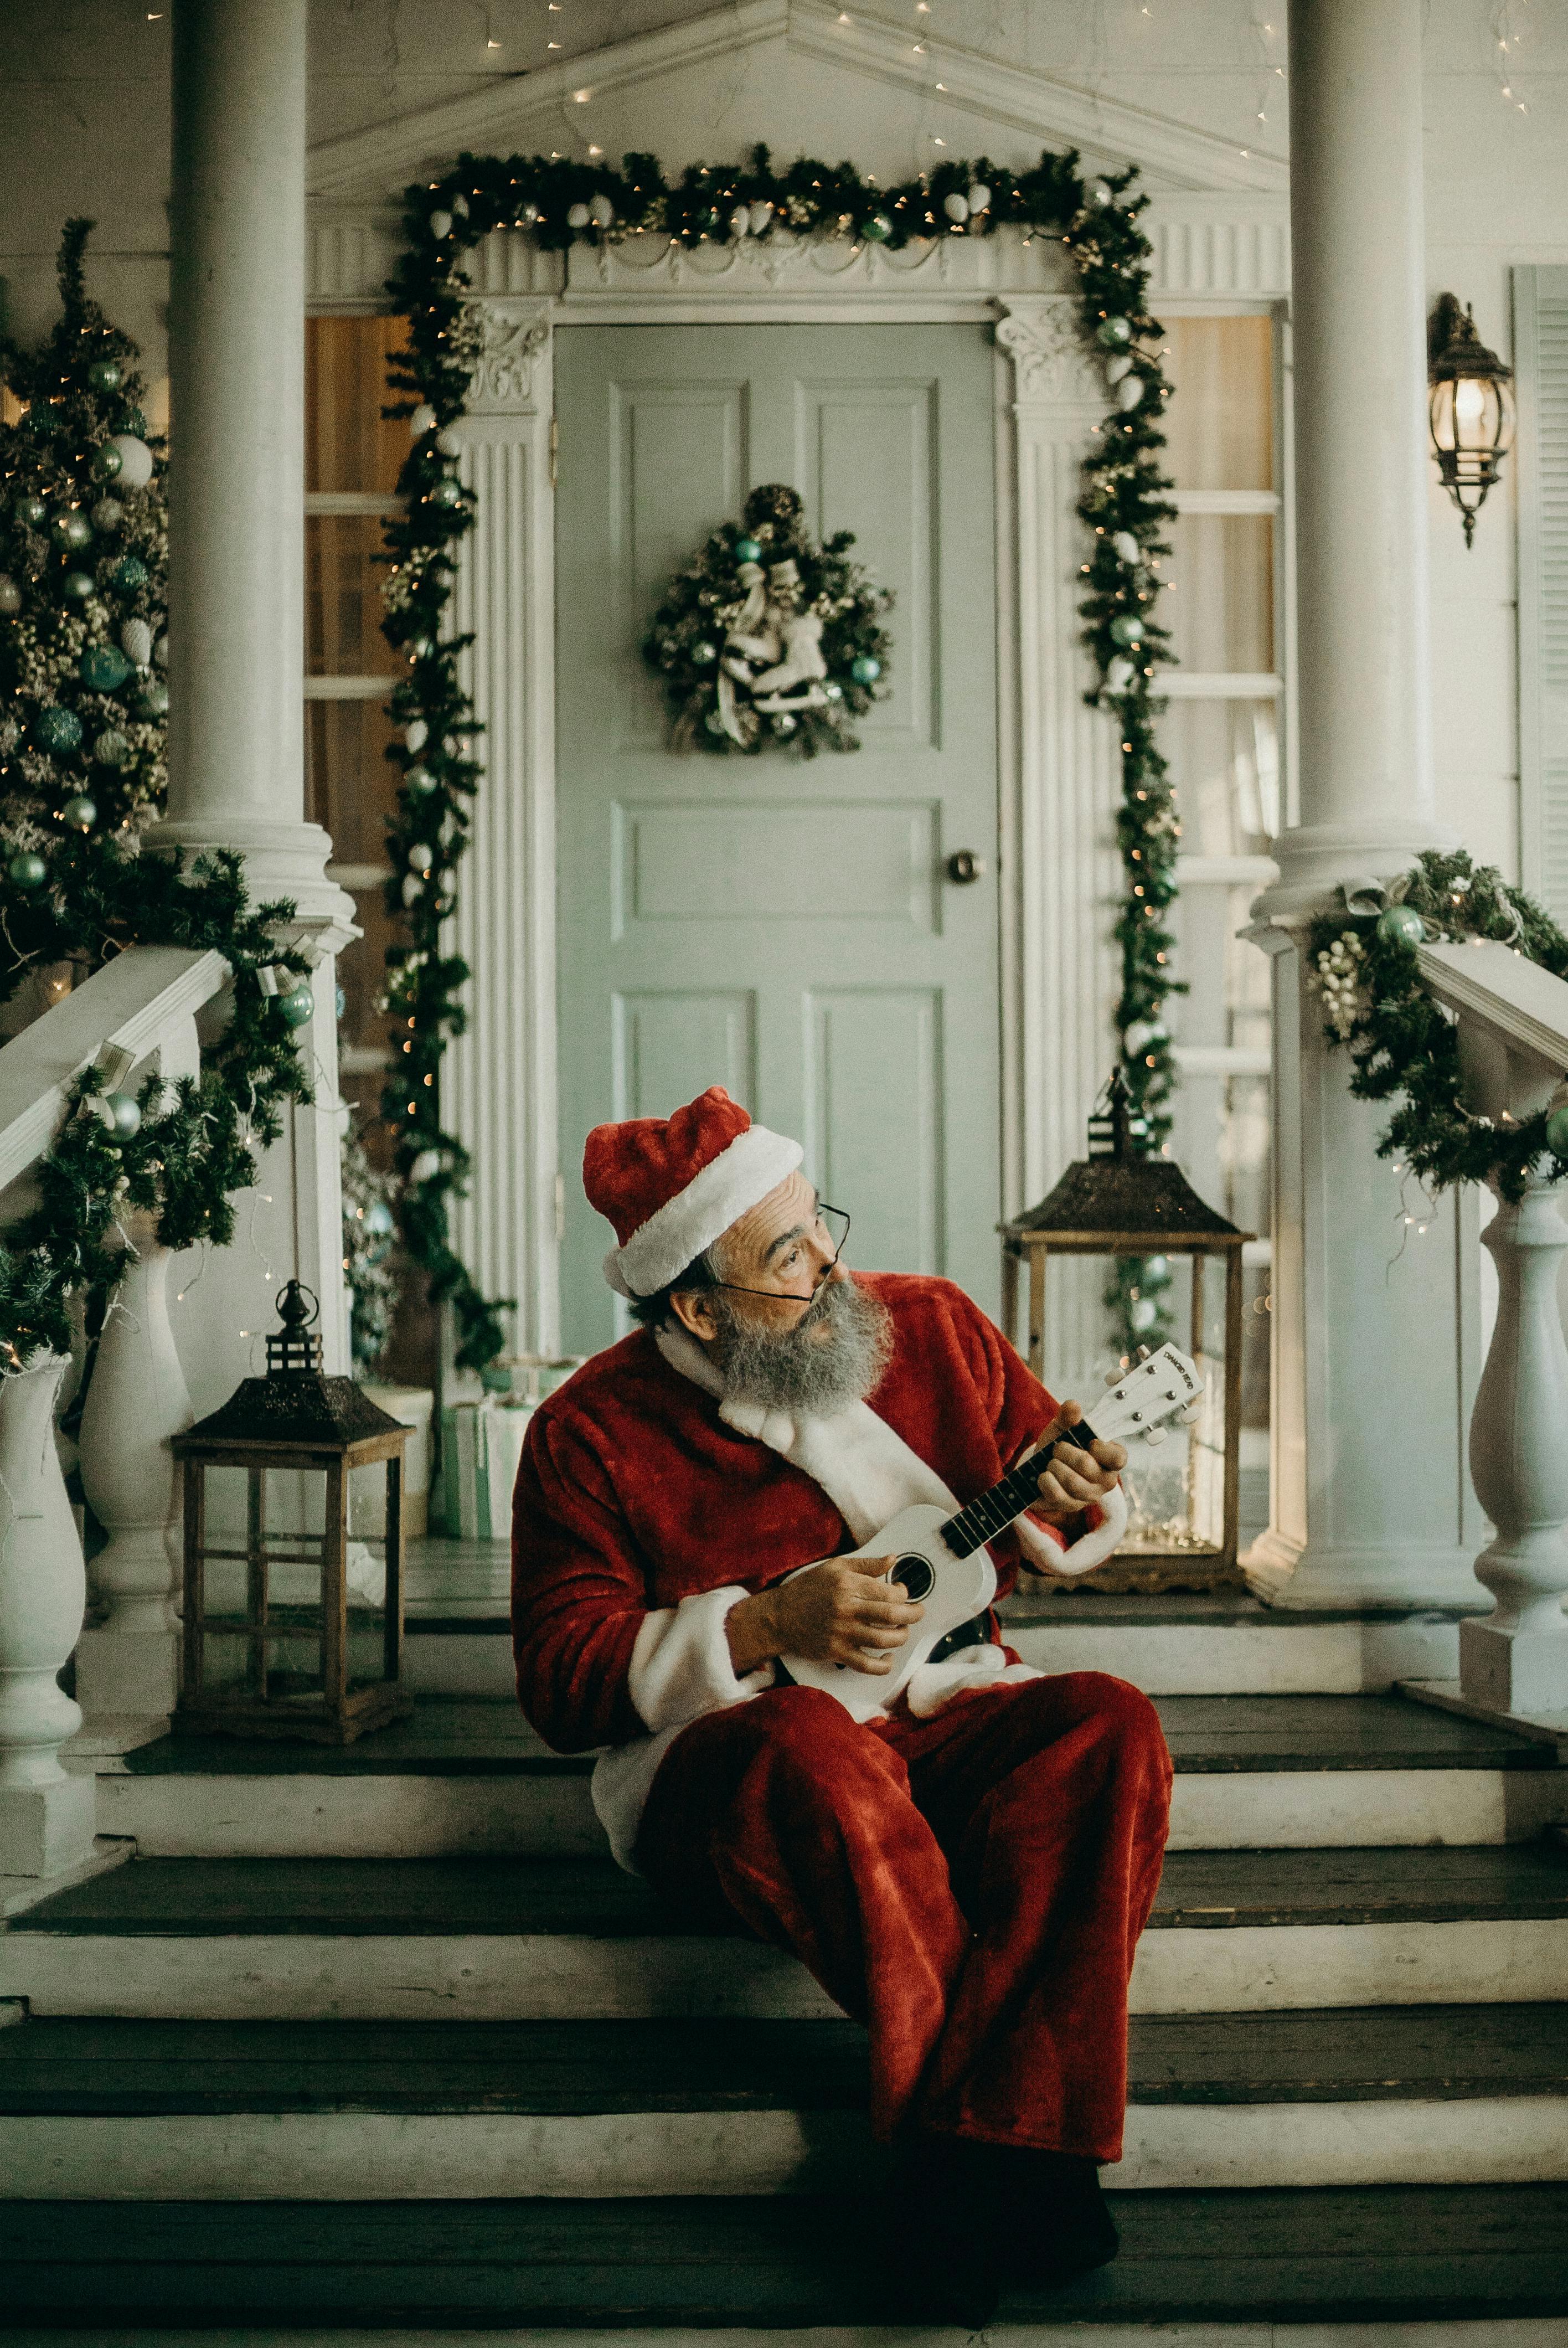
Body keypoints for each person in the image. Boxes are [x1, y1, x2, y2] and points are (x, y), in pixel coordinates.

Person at [512, 1087, 1173, 2322]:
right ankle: (1006, 2161)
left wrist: (1079, 1481)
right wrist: (760, 1626)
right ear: (697, 1306)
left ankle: (967, 2161)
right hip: (735, 1759)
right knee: (811, 1742)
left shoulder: (931, 1325)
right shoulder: (588, 1431)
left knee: (1109, 1724)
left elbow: (1049, 1490)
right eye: (785, 1258)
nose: (829, 1264)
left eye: (819, 1225)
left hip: (948, 1708)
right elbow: (559, 1676)